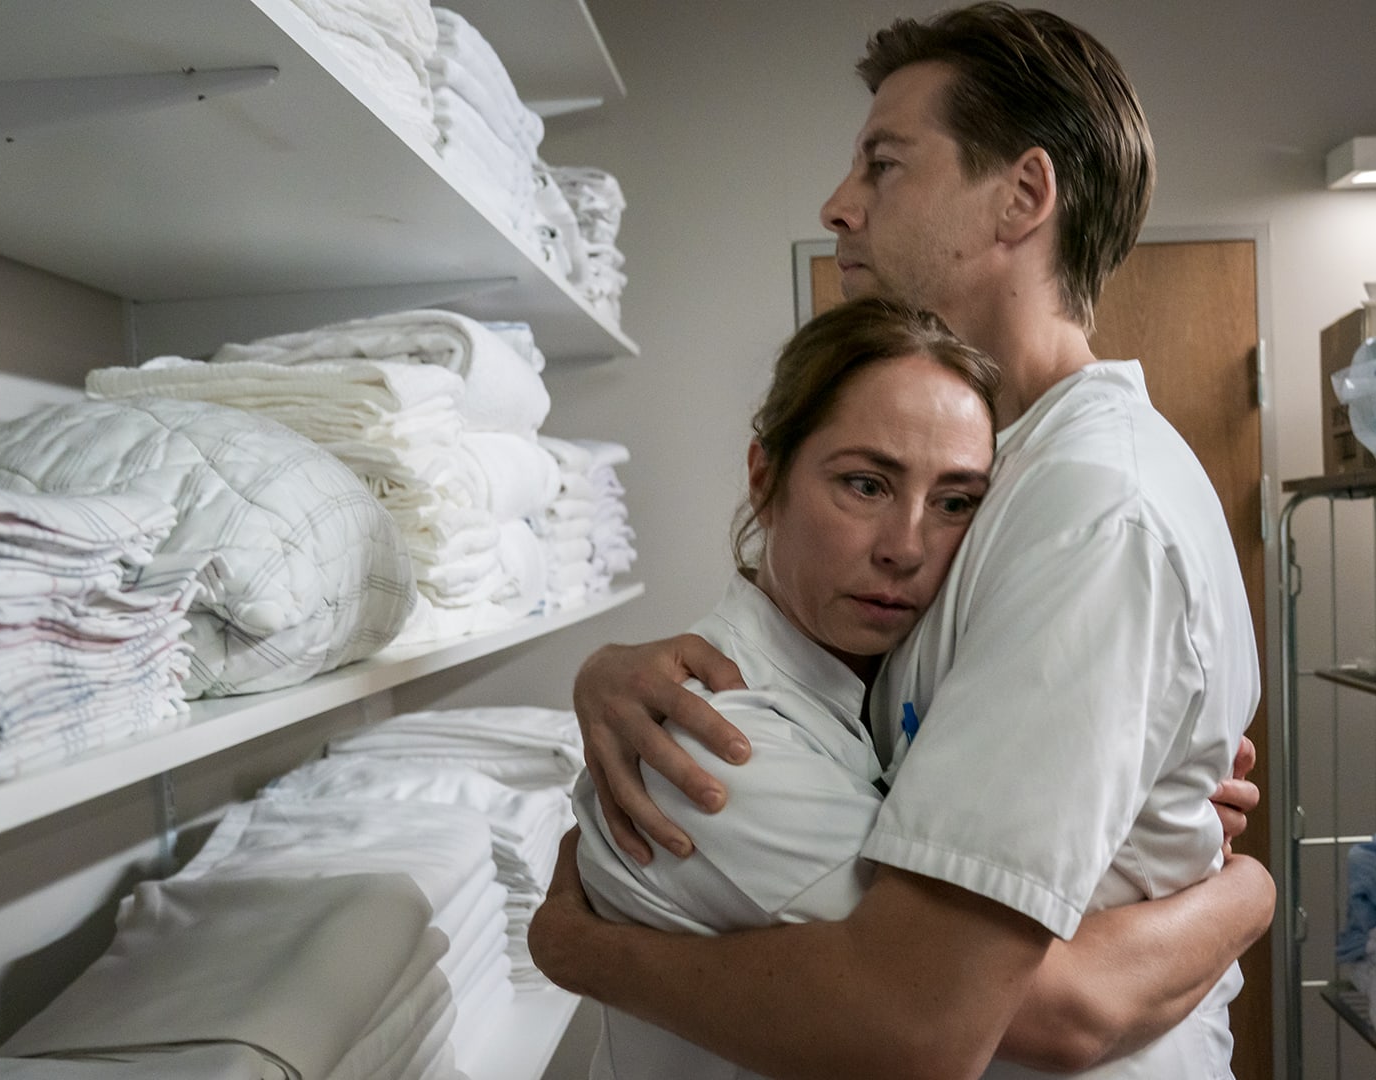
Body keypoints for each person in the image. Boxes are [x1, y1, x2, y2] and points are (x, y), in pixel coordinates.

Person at [531, 5, 1273, 1077]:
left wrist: (579, 950)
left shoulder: (1093, 509)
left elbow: (924, 1014)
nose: (839, 206)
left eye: (884, 164)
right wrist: (607, 669)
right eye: (867, 483)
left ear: (1023, 195)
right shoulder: (1009, 478)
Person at [571, 296, 1273, 1077]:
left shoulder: (892, 690)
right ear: (765, 480)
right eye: (866, 485)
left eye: (954, 502)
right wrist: (1248, 892)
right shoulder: (713, 745)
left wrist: (1140, 803)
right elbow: (1025, 1007)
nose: (905, 547)